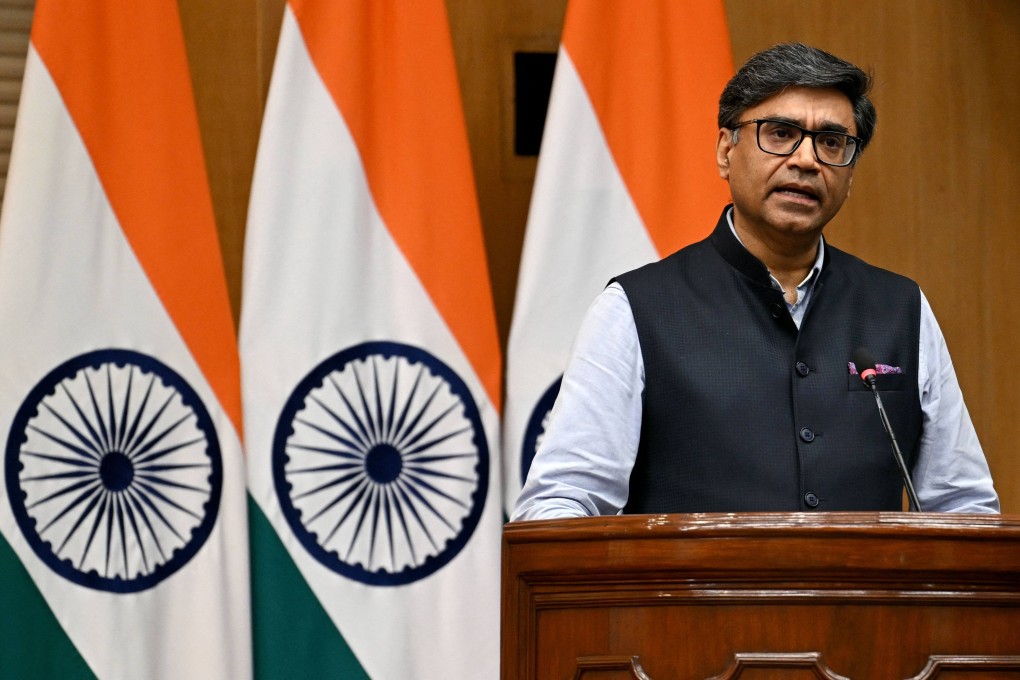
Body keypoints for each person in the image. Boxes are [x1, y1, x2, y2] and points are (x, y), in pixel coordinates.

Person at [511, 43, 999, 520]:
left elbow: (964, 508)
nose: (807, 160)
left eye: (832, 142)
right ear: (726, 151)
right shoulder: (634, 310)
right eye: (781, 133)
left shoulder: (900, 309)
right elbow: (561, 503)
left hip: (860, 604)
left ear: (850, 174)